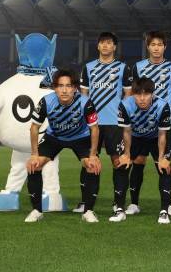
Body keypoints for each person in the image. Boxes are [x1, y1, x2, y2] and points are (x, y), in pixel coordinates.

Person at [24, 69, 101, 223]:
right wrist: (34, 154)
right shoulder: (46, 101)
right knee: (34, 165)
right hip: (54, 137)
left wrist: (93, 155)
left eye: (68, 86)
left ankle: (88, 211)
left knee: (92, 166)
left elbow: (94, 128)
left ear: (74, 88)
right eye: (60, 86)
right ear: (55, 88)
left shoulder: (85, 102)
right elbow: (34, 127)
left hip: (80, 137)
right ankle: (37, 211)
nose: (64, 90)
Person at [73, 32, 132, 222]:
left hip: (115, 123)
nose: (106, 46)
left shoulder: (123, 68)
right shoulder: (88, 68)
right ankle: (85, 202)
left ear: (114, 47)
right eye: (102, 43)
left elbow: (128, 94)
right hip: (92, 124)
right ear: (98, 46)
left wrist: (121, 114)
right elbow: (83, 95)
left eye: (109, 43)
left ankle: (119, 205)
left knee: (118, 162)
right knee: (90, 161)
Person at [125, 31, 171, 216]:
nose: (156, 48)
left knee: (164, 163)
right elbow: (133, 93)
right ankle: (134, 203)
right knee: (137, 161)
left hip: (163, 124)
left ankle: (168, 204)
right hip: (140, 123)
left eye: (160, 44)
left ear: (165, 47)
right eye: (153, 44)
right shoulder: (138, 67)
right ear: (148, 47)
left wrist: (160, 109)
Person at [118, 77, 171, 224]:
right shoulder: (125, 105)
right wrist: (127, 154)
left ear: (152, 94)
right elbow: (126, 132)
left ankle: (165, 210)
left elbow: (163, 134)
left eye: (146, 94)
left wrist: (162, 157)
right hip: (136, 137)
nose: (142, 98)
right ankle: (125, 207)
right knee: (123, 164)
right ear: (133, 94)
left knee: (165, 168)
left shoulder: (163, 106)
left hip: (156, 136)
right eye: (138, 94)